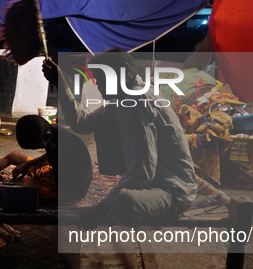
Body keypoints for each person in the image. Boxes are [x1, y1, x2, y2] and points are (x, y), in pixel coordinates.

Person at [42, 48, 197, 227]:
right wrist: (60, 83)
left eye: (101, 78)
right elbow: (82, 123)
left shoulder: (138, 100)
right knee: (105, 129)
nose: (97, 84)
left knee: (126, 201)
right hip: (153, 182)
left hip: (174, 190)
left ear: (122, 72)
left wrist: (100, 208)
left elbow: (143, 172)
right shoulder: (123, 101)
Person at [0, 115, 93, 206]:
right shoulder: (51, 130)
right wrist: (28, 164)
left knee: (25, 193)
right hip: (53, 173)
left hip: (66, 190)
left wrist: (36, 196)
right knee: (14, 156)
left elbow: (78, 191)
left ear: (48, 136)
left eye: (36, 147)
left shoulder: (70, 150)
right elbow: (52, 154)